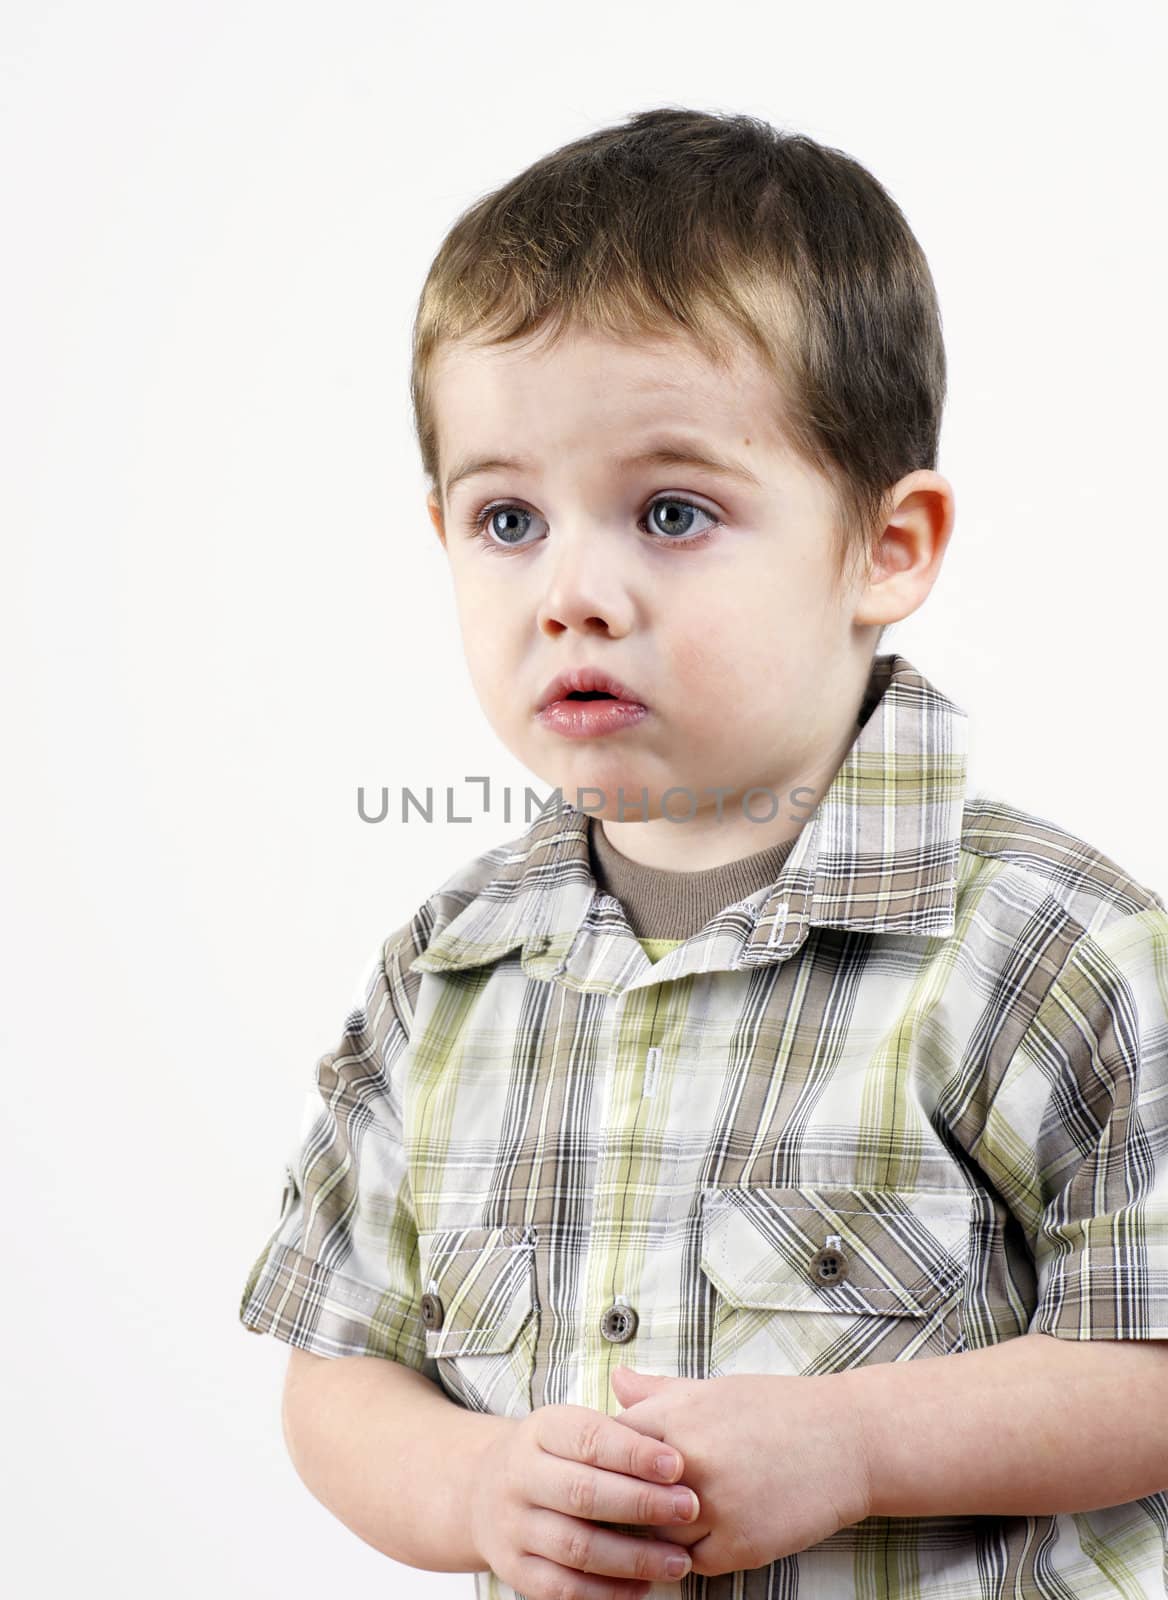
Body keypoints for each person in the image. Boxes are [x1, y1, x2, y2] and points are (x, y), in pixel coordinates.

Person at [237, 106, 1168, 1600]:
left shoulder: (1055, 947)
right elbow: (339, 1375)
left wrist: (862, 1443)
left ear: (887, 546)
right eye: (507, 519)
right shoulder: (445, 978)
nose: (573, 592)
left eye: (671, 512)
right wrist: (477, 1485)